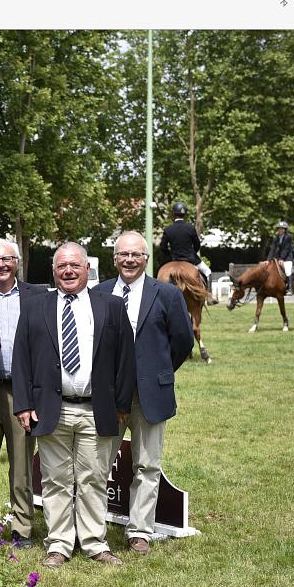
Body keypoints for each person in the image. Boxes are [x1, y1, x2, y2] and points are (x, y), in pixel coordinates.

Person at [12, 242, 135, 568]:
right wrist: (23, 404)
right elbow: (21, 358)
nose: (68, 271)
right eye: (62, 266)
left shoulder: (110, 306)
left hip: (97, 410)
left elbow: (126, 358)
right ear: (53, 271)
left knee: (94, 478)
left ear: (87, 269)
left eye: (74, 266)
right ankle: (59, 545)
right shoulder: (35, 306)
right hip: (52, 408)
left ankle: (95, 543)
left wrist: (121, 404)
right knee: (55, 481)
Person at [92, 232, 193, 555]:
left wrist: (158, 374)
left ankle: (140, 531)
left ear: (146, 259)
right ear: (114, 258)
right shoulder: (99, 292)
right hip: (109, 396)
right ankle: (94, 531)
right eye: (124, 254)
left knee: (147, 465)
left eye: (136, 255)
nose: (130, 260)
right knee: (97, 465)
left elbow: (182, 342)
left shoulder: (166, 294)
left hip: (151, 395)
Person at [0, 238, 43, 548]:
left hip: (21, 393)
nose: (1, 265)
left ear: (17, 263)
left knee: (21, 465)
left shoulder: (38, 296)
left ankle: (21, 527)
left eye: (7, 259)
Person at [160, 201, 218, 304]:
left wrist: (171, 257)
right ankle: (209, 297)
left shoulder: (168, 229)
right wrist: (192, 254)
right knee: (208, 272)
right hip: (191, 259)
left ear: (173, 214)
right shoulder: (190, 228)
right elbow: (197, 245)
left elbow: (163, 247)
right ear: (185, 214)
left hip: (174, 259)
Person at [267, 220, 294, 295]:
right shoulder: (276, 238)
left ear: (285, 230)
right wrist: (268, 259)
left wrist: (282, 258)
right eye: (279, 228)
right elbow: (272, 249)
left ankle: (290, 288)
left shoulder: (288, 237)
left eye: (282, 229)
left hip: (287, 257)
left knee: (288, 269)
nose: (280, 230)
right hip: (278, 257)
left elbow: (286, 248)